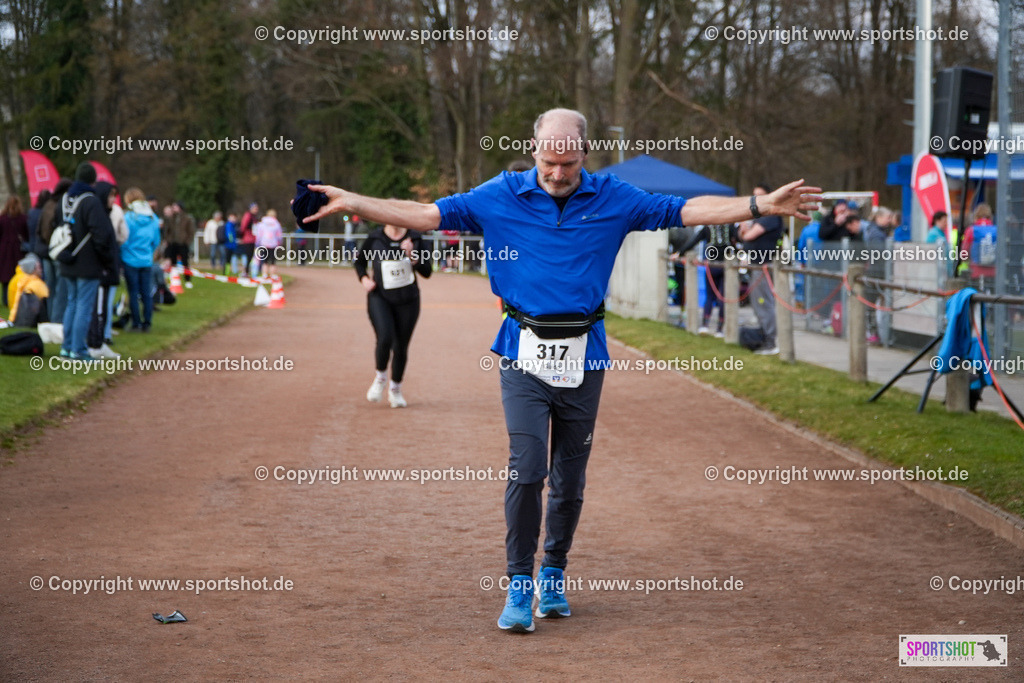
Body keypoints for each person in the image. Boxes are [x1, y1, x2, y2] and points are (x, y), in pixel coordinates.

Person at [303, 107, 820, 633]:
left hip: (585, 355)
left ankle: (553, 571)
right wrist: (354, 202)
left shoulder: (615, 197)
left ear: (585, 155)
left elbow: (687, 210)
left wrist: (759, 205)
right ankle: (518, 584)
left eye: (568, 164)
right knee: (528, 469)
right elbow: (425, 213)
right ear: (533, 150)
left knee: (569, 481)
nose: (556, 173)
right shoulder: (500, 194)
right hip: (522, 352)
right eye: (548, 161)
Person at [353, 222, 432, 408]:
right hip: (380, 297)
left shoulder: (415, 238)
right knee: (385, 337)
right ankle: (380, 377)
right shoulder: (375, 238)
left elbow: (427, 272)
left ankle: (395, 390)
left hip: (408, 300)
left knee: (401, 346)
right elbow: (359, 262)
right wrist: (364, 279)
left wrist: (412, 255)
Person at [60, 163, 116, 360]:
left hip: (67, 259)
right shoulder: (91, 201)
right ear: (93, 181)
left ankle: (66, 347)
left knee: (71, 304)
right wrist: (106, 260)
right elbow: (101, 235)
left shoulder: (65, 199)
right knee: (84, 307)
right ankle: (79, 350)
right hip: (87, 262)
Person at [737, 184, 785, 355]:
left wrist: (745, 230)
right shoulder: (759, 217)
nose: (755, 199)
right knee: (758, 303)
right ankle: (764, 337)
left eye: (759, 195)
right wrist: (744, 228)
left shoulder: (770, 216)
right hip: (756, 265)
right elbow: (742, 236)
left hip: (764, 265)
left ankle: (770, 342)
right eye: (754, 195)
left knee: (764, 304)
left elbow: (749, 235)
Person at [86, 182, 123, 359]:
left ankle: (99, 341)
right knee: (99, 309)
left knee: (103, 308)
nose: (113, 200)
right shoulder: (99, 216)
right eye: (110, 196)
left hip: (107, 270)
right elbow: (101, 244)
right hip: (102, 271)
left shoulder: (106, 215)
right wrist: (108, 263)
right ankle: (95, 344)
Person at [122, 187, 161, 332]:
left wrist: (125, 253)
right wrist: (149, 252)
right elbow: (156, 240)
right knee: (146, 292)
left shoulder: (128, 217)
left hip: (130, 259)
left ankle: (136, 323)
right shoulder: (153, 218)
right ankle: (147, 322)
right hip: (146, 260)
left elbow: (124, 239)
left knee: (133, 292)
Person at [0, 196, 28, 308]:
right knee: (18, 274)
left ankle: (6, 299)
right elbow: (26, 235)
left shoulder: (2, 219)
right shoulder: (23, 218)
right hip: (18, 250)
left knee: (5, 276)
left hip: (4, 250)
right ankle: (18, 297)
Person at [9, 253, 49, 326]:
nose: (41, 270)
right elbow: (47, 297)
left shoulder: (22, 280)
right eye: (39, 267)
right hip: (29, 319)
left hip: (15, 317)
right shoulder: (36, 283)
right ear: (32, 269)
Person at [165, 201, 196, 286]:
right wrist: (168, 240)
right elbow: (167, 231)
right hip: (173, 244)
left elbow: (191, 231)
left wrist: (187, 242)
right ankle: (173, 280)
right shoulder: (171, 218)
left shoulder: (187, 218)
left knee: (185, 262)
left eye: (175, 207)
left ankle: (187, 280)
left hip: (183, 244)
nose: (173, 208)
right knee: (173, 263)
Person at [254, 208, 283, 278]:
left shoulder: (262, 223)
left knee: (264, 260)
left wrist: (257, 242)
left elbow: (259, 234)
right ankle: (273, 274)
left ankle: (264, 274)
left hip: (264, 243)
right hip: (273, 244)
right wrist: (279, 242)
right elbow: (279, 235)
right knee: (273, 261)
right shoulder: (276, 224)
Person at [237, 202, 259, 277]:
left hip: (253, 239)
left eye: (257, 209)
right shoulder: (248, 216)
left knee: (250, 257)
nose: (256, 210)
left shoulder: (254, 217)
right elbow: (243, 227)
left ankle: (247, 272)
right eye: (255, 208)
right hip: (248, 239)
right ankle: (245, 272)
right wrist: (241, 237)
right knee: (247, 256)